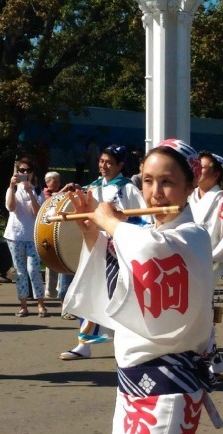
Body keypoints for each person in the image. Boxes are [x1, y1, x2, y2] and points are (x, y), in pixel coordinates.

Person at [62, 139, 216, 434]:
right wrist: (93, 233)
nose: (155, 192)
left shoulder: (192, 236)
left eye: (168, 182)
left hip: (170, 387)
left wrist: (109, 222)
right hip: (133, 385)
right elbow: (115, 285)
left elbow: (152, 249)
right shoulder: (141, 235)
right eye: (147, 181)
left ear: (190, 185)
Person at [59, 144, 147, 360]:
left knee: (120, 294)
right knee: (87, 288)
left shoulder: (127, 189)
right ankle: (84, 343)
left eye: (109, 162)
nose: (103, 166)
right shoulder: (93, 187)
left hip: (116, 249)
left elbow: (144, 217)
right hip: (93, 245)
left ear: (120, 165)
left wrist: (121, 226)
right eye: (101, 161)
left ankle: (129, 341)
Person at [189, 151, 223, 382]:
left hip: (206, 264)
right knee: (192, 314)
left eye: (205, 168)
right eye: (197, 167)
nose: (199, 171)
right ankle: (213, 360)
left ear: (217, 173)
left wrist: (212, 258)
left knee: (200, 312)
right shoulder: (189, 197)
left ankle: (210, 360)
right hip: (185, 262)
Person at [3, 157, 47, 318]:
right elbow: (11, 207)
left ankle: (41, 304)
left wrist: (30, 191)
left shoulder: (37, 190)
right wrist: (11, 185)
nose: (24, 173)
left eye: (27, 170)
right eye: (21, 170)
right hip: (15, 236)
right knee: (20, 272)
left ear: (32, 173)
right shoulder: (13, 189)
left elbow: (38, 212)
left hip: (32, 236)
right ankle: (23, 306)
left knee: (34, 270)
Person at [42, 171, 62, 299]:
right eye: (54, 182)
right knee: (50, 261)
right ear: (47, 182)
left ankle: (57, 289)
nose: (56, 184)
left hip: (58, 231)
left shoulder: (61, 194)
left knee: (59, 260)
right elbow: (49, 202)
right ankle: (49, 290)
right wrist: (63, 190)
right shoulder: (44, 193)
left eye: (58, 182)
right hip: (45, 231)